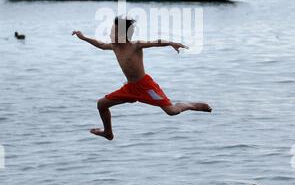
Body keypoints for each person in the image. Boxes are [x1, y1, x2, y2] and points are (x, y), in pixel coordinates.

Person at [72, 16, 212, 140]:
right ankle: (108, 132)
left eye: (113, 32)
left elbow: (155, 42)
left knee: (172, 112)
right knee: (101, 104)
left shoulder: (134, 45)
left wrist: (170, 43)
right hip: (130, 88)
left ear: (123, 35)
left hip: (146, 86)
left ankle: (190, 105)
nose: (109, 34)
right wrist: (84, 38)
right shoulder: (114, 46)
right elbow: (100, 45)